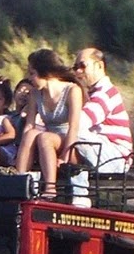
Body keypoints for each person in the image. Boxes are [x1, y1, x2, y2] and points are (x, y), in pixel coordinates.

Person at [14, 49, 86, 198]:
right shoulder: (35, 93)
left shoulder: (72, 91)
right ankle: (19, 180)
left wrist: (65, 156)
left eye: (32, 73)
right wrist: (23, 147)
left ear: (46, 73)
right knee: (31, 134)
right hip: (48, 140)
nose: (29, 78)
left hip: (71, 143)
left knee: (44, 137)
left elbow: (74, 128)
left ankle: (50, 188)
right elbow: (29, 125)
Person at [72, 48, 133, 174]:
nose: (78, 71)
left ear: (99, 66)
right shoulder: (90, 94)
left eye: (83, 66)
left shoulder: (105, 93)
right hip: (104, 152)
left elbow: (80, 122)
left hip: (115, 157)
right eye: (75, 67)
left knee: (72, 130)